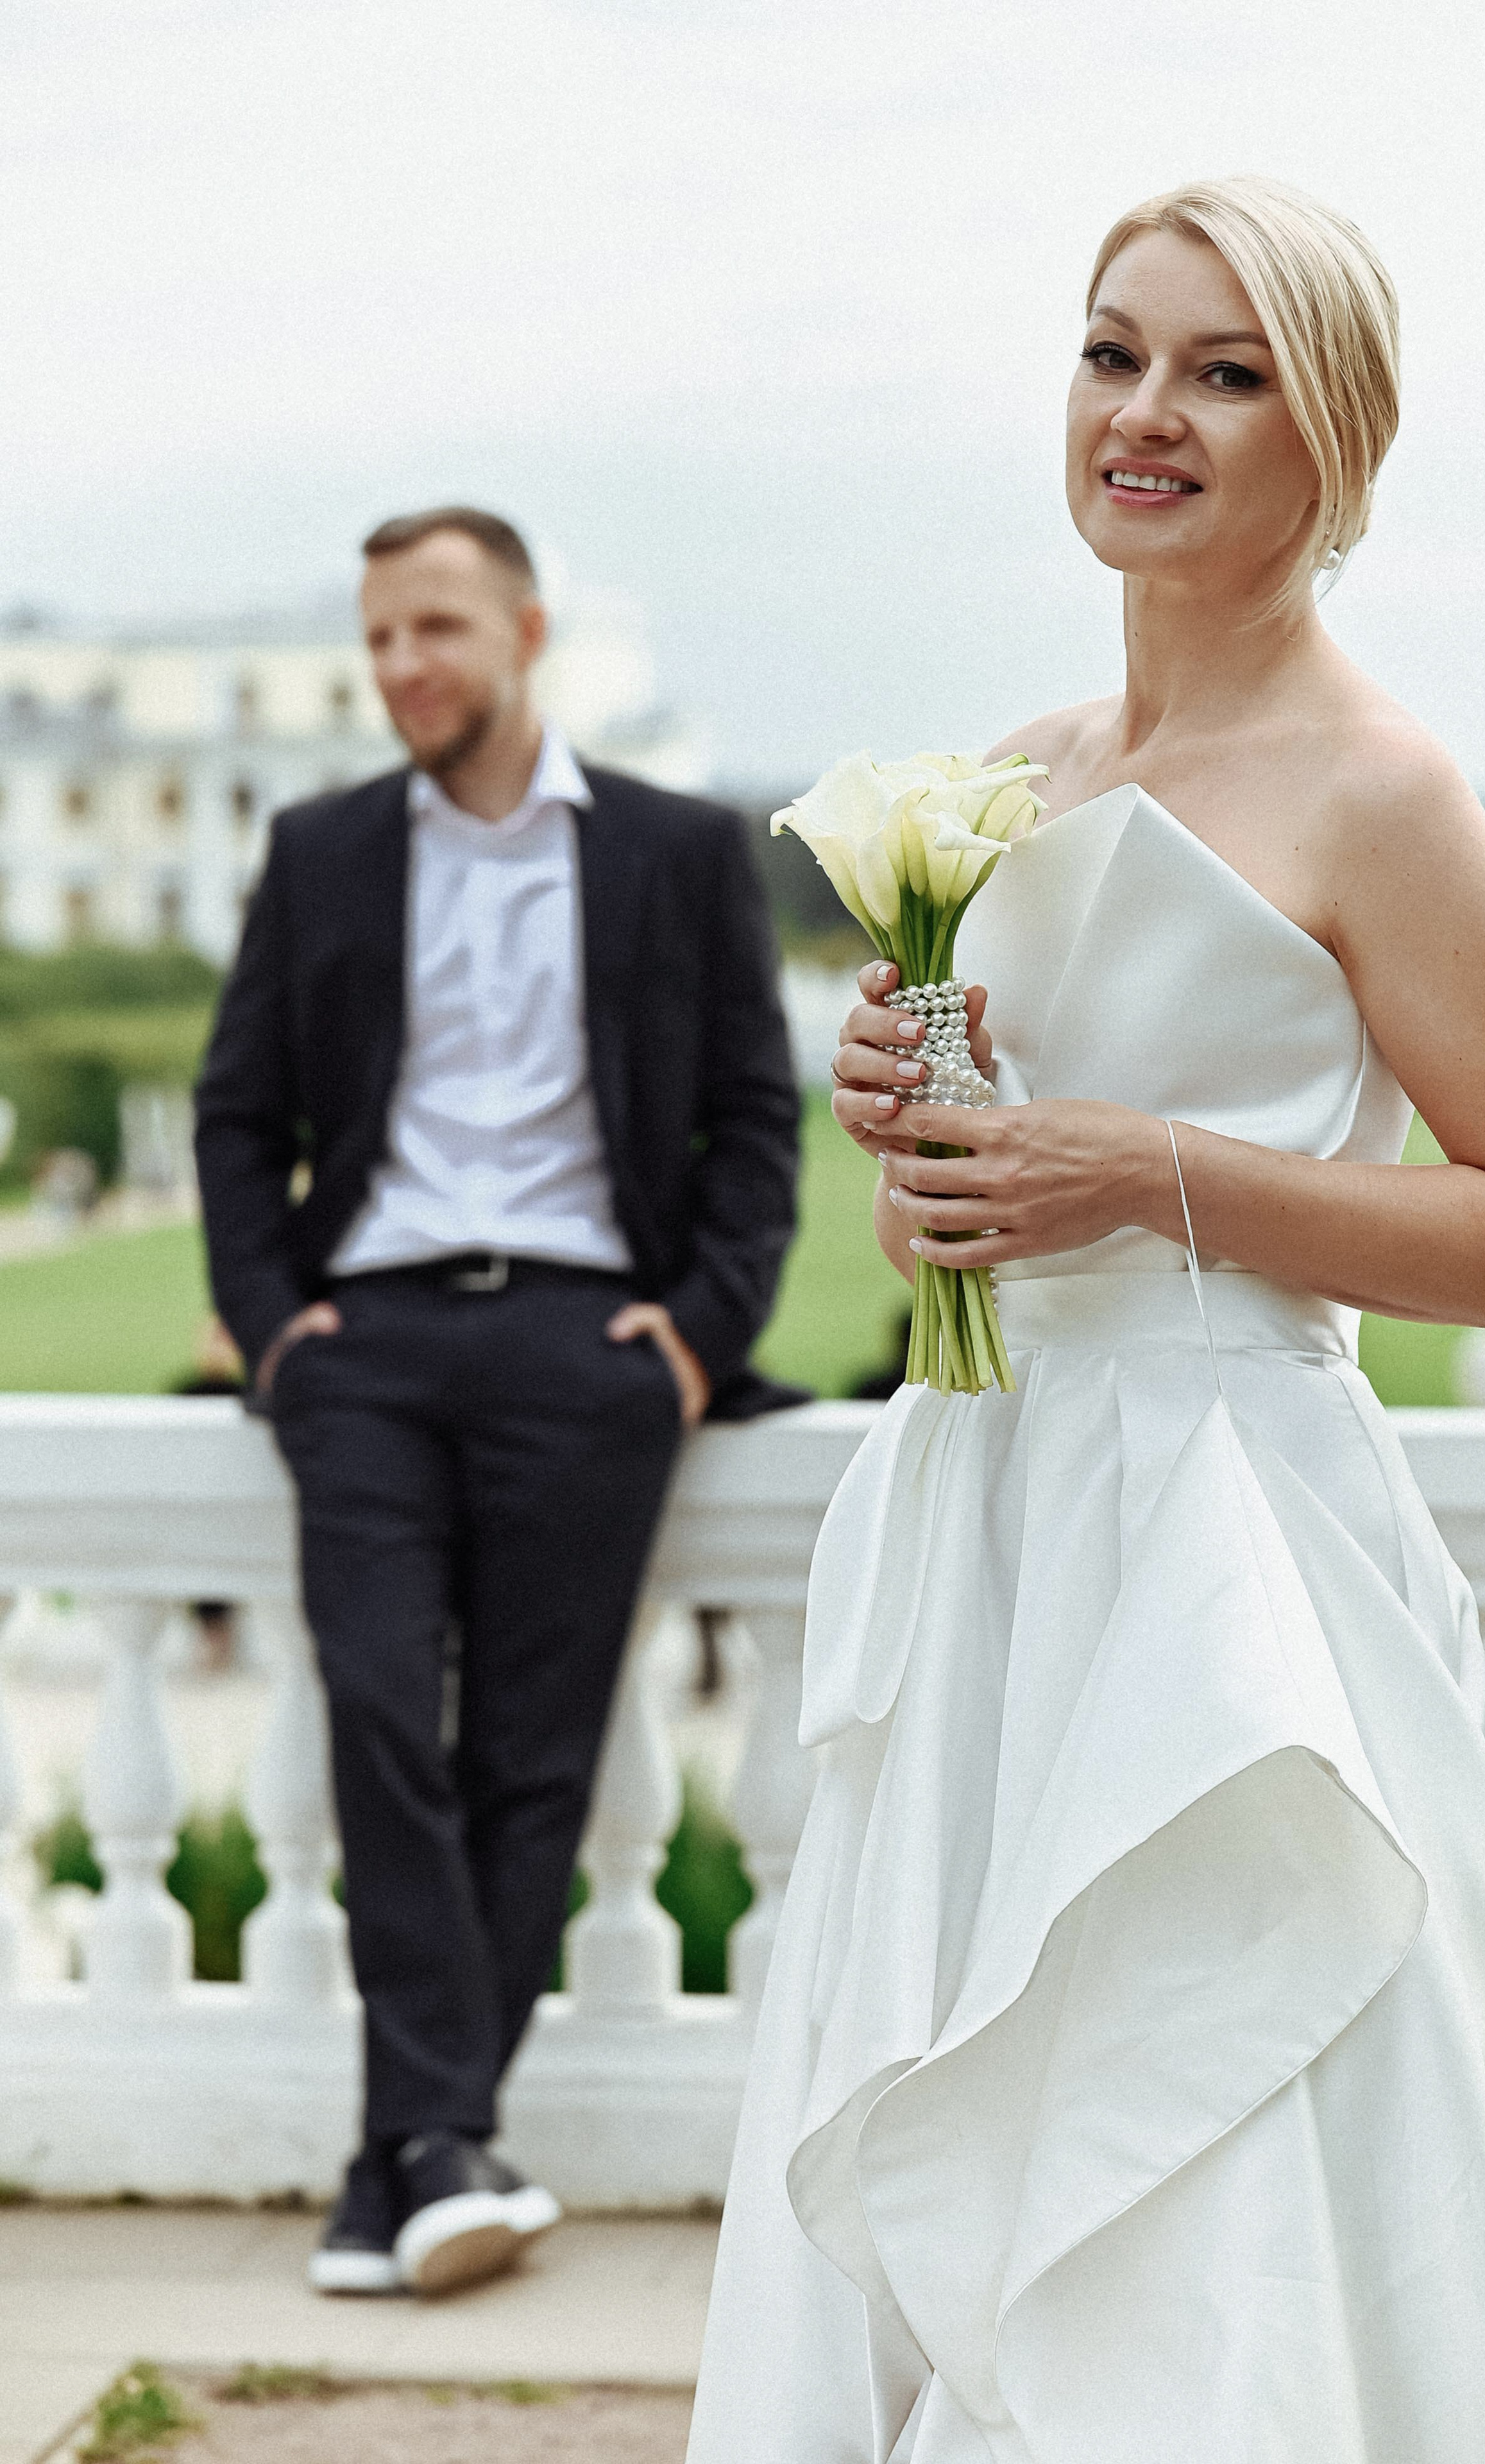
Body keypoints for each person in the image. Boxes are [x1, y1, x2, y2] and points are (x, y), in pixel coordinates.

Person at [688, 180, 1485, 2462]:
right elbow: (972, 1233)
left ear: (1342, 442)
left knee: (1213, 2156)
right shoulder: (1023, 774)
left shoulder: (1384, 796)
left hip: (1235, 1564)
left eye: (1228, 373)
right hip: (995, 1544)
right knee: (969, 2119)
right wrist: (935, 1155)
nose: (1149, 415)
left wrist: (1154, 1175)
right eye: (1115, 354)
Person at [194, 506, 801, 2297]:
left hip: (588, 1347)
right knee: (382, 1708)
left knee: (532, 1754)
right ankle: (439, 2150)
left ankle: (410, 2163)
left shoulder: (678, 852)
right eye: (379, 640)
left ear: (529, 632)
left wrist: (692, 1336)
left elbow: (758, 1124)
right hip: (365, 1347)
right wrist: (275, 1327)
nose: (403, 670)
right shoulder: (317, 852)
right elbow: (241, 1116)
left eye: (436, 630)